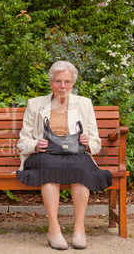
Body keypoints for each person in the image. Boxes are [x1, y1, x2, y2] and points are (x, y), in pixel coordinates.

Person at [16, 61, 112, 250]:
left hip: (75, 153)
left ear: (73, 83)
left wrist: (87, 142)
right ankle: (54, 229)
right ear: (51, 82)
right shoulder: (35, 104)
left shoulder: (84, 104)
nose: (62, 86)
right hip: (45, 154)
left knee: (82, 167)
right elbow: (23, 141)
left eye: (67, 82)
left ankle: (79, 229)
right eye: (58, 81)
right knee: (50, 166)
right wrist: (35, 144)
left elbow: (95, 141)